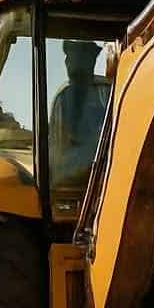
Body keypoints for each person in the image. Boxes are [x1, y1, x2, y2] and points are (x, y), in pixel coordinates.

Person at [49, 39, 110, 194]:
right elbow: (55, 150)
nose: (69, 62)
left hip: (102, 180)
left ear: (91, 60)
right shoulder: (63, 98)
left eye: (76, 56)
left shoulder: (107, 94)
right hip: (67, 185)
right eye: (69, 57)